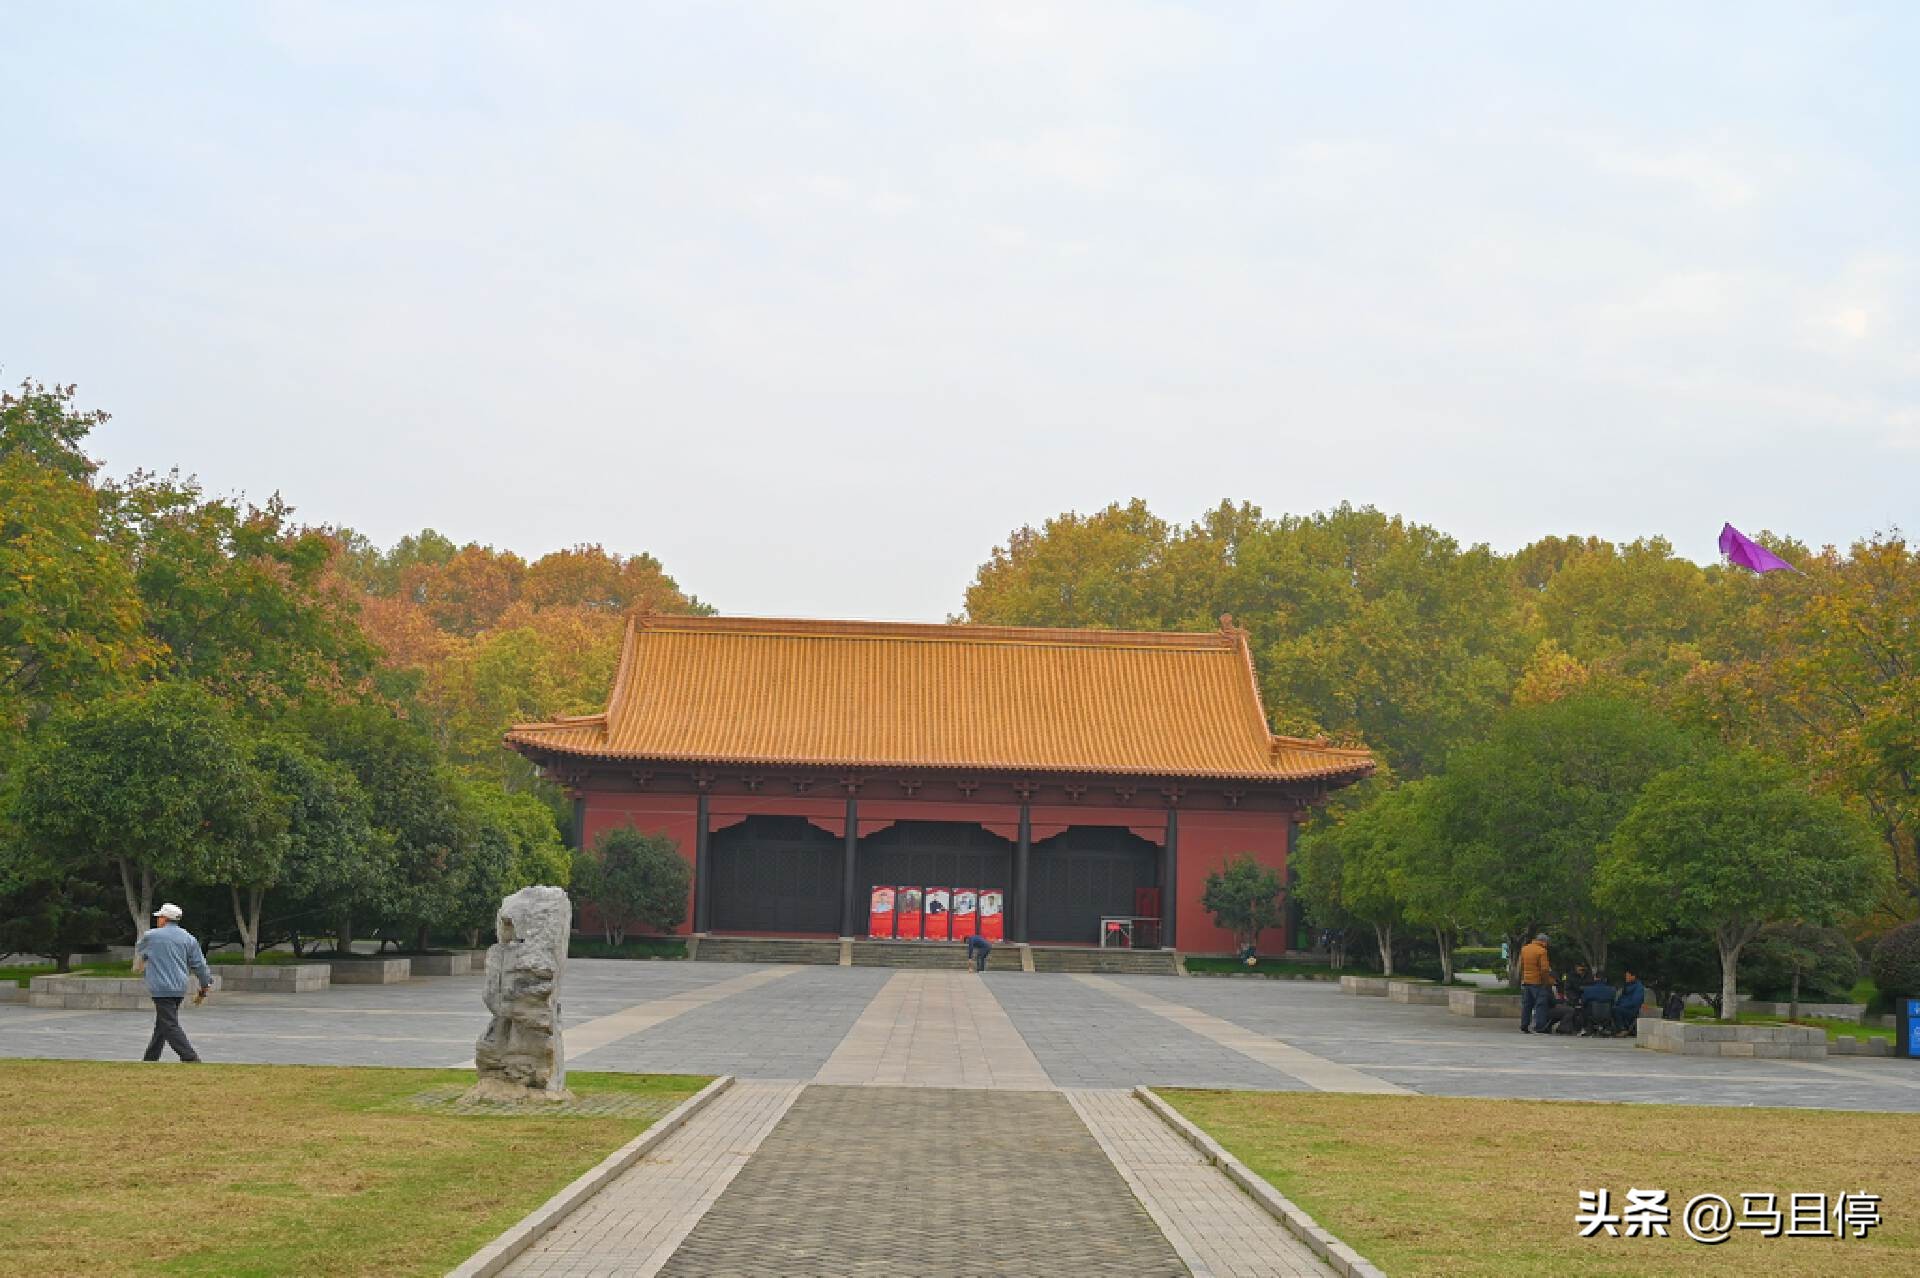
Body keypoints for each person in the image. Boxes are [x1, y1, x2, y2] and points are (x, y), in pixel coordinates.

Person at [132, 902, 213, 1062]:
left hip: (160, 987)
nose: (158, 920)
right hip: (179, 987)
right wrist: (205, 984)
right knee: (162, 1023)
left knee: (168, 1024)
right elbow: (199, 965)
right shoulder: (188, 938)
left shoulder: (152, 936)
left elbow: (140, 950)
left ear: (164, 919)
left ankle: (190, 1057)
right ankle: (150, 1059)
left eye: (159, 917)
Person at [1519, 932, 1552, 1034]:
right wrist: (1547, 981)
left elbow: (1521, 965)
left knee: (1527, 1005)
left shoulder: (1525, 949)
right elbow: (1544, 969)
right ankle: (1540, 1027)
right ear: (1544, 941)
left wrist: (1523, 978)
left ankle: (1524, 1025)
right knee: (1540, 1004)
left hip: (1527, 981)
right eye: (1547, 942)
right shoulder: (1542, 951)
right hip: (1538, 982)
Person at [1579, 971, 1617, 1037]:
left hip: (1592, 1016)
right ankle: (1606, 1028)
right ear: (1605, 979)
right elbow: (1613, 1003)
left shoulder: (1588, 990)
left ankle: (1586, 1028)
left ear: (1595, 978)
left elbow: (1583, 1002)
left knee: (1582, 1008)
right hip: (1607, 1016)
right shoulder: (1612, 990)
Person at [1613, 970, 1646, 1035]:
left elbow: (1635, 1002)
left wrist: (1621, 1006)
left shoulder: (1639, 987)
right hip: (1623, 1008)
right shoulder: (1626, 987)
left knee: (1616, 1010)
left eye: (1627, 976)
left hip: (1632, 1010)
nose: (1626, 978)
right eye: (1626, 976)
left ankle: (1623, 1029)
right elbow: (1620, 999)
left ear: (1633, 976)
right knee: (1612, 1008)